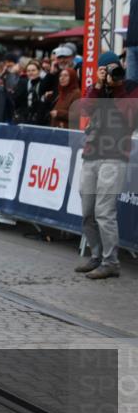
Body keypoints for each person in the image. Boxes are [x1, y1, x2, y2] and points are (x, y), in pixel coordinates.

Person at [74, 52, 138, 280]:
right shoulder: (97, 88)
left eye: (115, 67)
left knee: (104, 212)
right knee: (87, 212)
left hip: (115, 156)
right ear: (100, 71)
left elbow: (129, 116)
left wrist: (116, 87)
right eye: (106, 68)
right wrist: (99, 85)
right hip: (91, 155)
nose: (112, 72)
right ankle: (96, 256)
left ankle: (111, 262)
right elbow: (84, 110)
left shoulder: (131, 88)